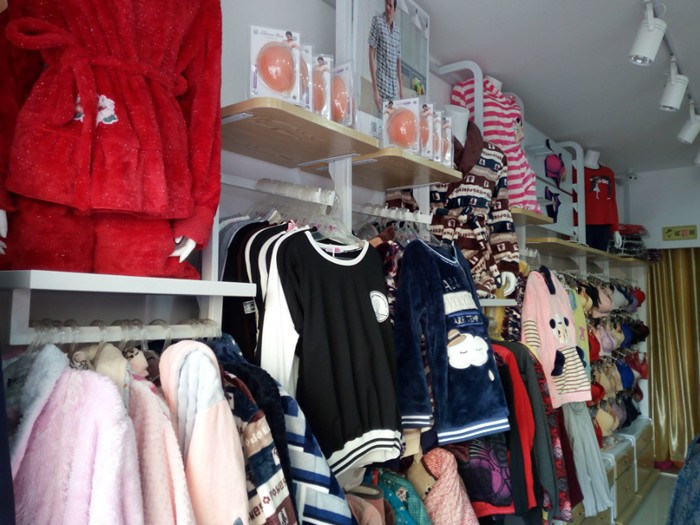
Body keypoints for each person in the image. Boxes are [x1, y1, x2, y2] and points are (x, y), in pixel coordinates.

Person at [368, 0, 402, 112]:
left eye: (390, 5)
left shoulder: (397, 31)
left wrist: (401, 89)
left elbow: (398, 60)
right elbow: (371, 54)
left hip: (394, 89)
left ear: (394, 10)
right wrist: (375, 90)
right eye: (386, 4)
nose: (387, 7)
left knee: (394, 121)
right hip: (382, 86)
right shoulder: (377, 22)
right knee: (382, 120)